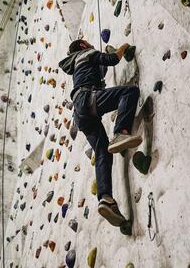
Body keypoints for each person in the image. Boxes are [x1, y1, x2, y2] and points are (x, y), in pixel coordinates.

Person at [59, 39, 142, 226]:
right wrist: (123, 48)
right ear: (82, 46)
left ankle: (106, 198)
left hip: (80, 114)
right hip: (88, 98)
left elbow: (99, 69)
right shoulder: (86, 53)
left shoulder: (77, 63)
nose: (90, 45)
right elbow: (112, 59)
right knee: (129, 93)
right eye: (87, 43)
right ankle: (121, 131)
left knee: (103, 152)